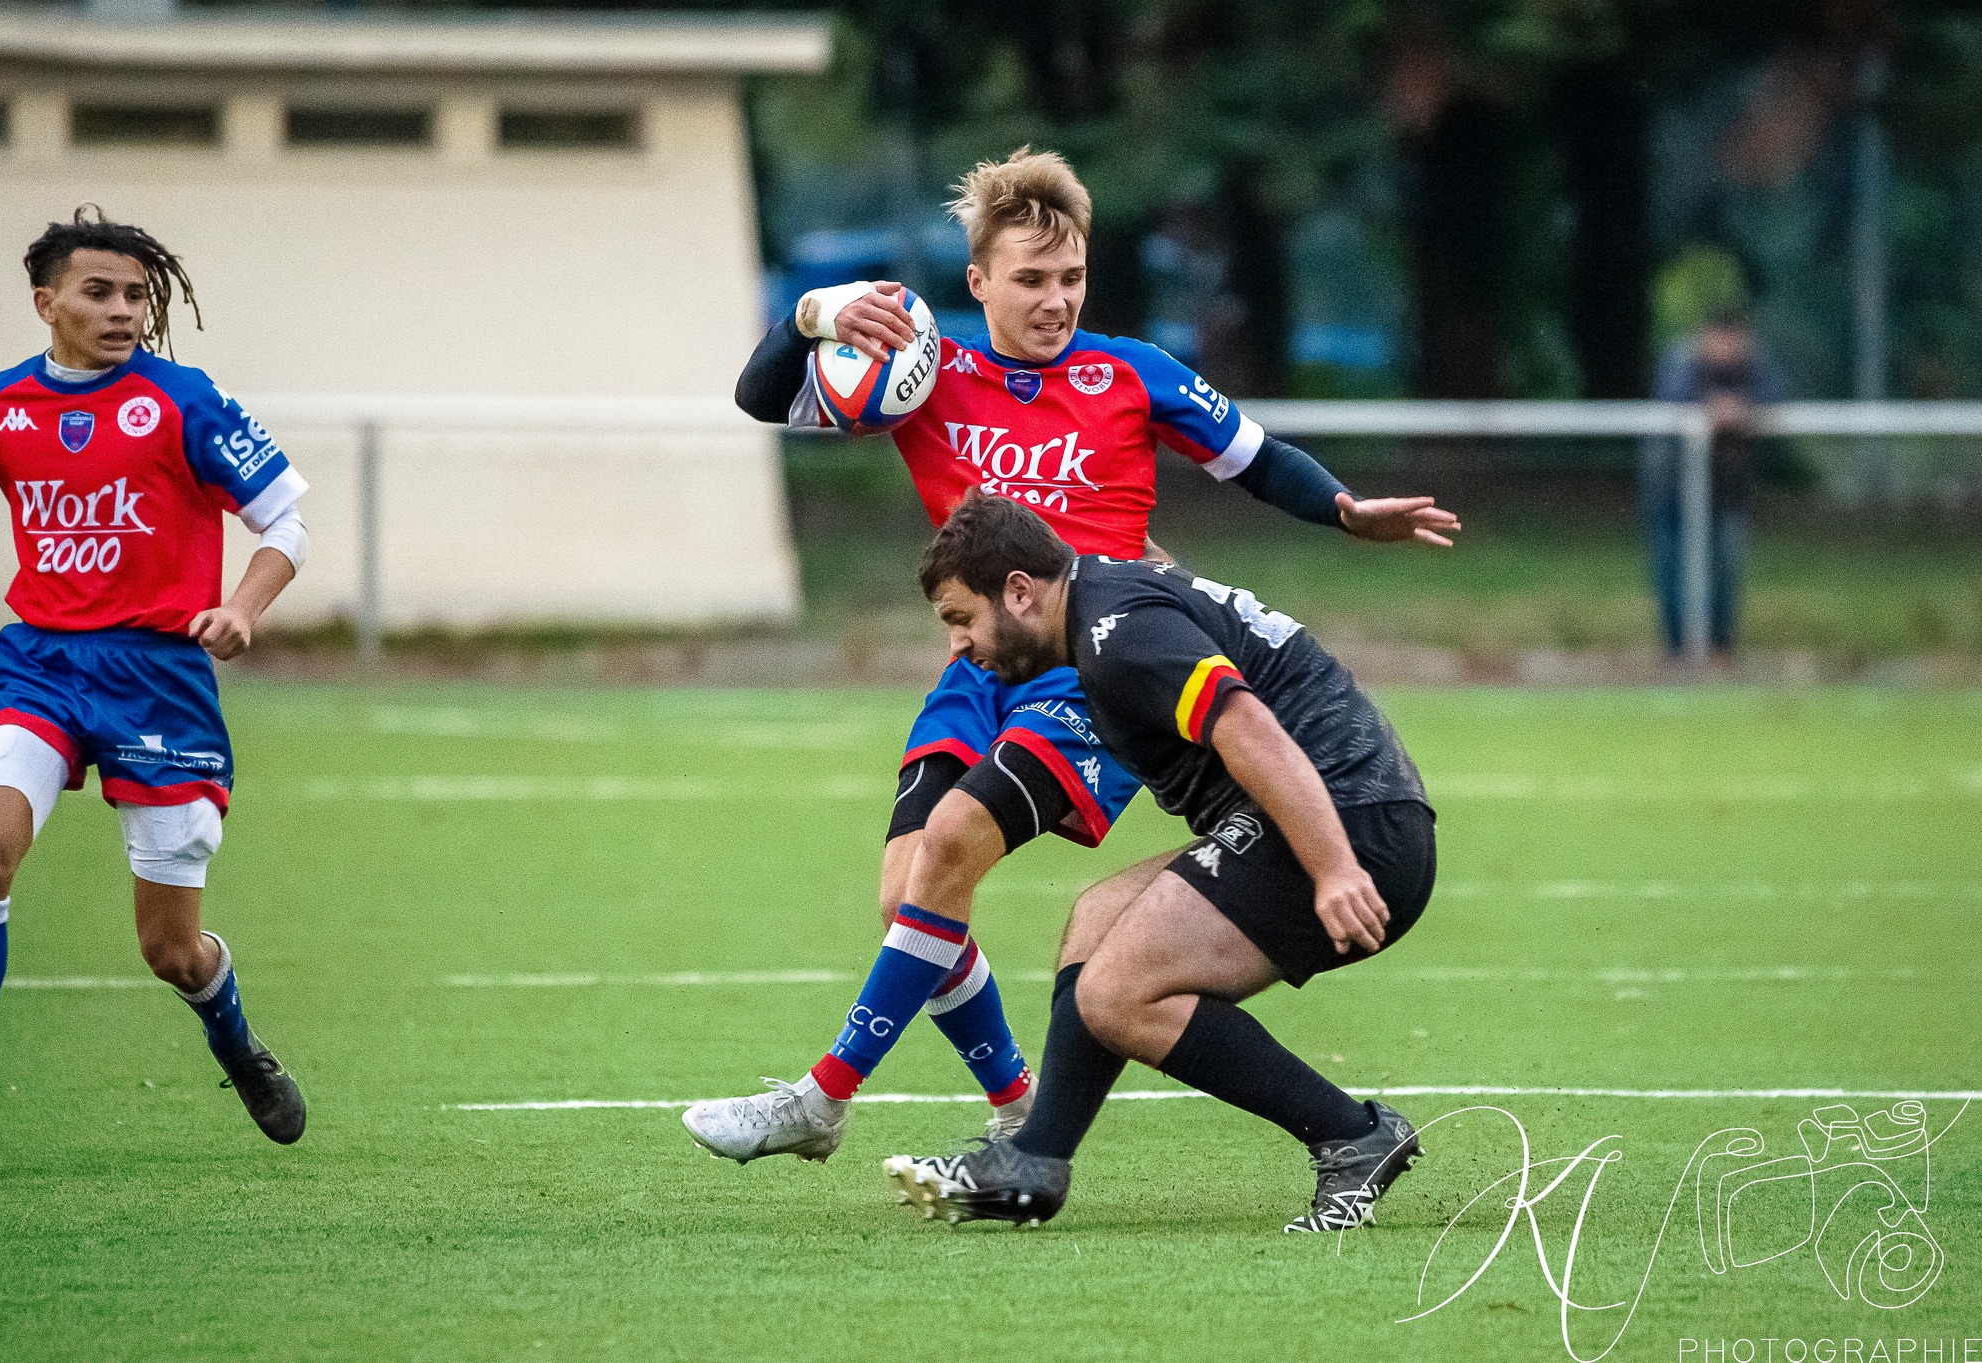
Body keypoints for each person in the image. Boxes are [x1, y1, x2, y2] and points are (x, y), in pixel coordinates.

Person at [682, 148, 1458, 1165]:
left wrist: (1346, 510)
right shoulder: (926, 374)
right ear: (978, 283)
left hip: (1101, 672)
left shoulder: (1129, 372)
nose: (1054, 301)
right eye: (1029, 279)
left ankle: (821, 1098)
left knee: (950, 843)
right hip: (979, 663)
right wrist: (808, 316)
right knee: (908, 893)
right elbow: (761, 401)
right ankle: (1016, 1104)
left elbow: (1256, 460)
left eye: (1070, 279)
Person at [885, 492, 1435, 1232]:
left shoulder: (1117, 633)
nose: (958, 644)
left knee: (1115, 994)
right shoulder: (1106, 602)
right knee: (1097, 919)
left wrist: (1335, 866)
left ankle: (1353, 1134)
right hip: (1319, 814)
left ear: (1019, 590)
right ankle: (1034, 1161)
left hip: (1354, 826)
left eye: (961, 618)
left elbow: (1249, 726)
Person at [0, 207, 310, 1164]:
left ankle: (233, 1034)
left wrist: (243, 608)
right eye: (99, 292)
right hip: (42, 665)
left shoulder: (184, 402)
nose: (122, 310)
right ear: (45, 302)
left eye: (136, 294)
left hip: (161, 680)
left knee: (169, 951)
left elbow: (285, 525)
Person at [1642, 305, 1789, 656]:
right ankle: (1678, 648)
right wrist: (1711, 407)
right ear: (1705, 336)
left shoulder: (1756, 362)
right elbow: (1671, 396)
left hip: (1726, 487)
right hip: (1671, 486)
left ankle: (1720, 646)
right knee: (1673, 564)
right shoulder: (1681, 359)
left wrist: (1742, 409)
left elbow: (1778, 394)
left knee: (1726, 563)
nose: (1726, 348)